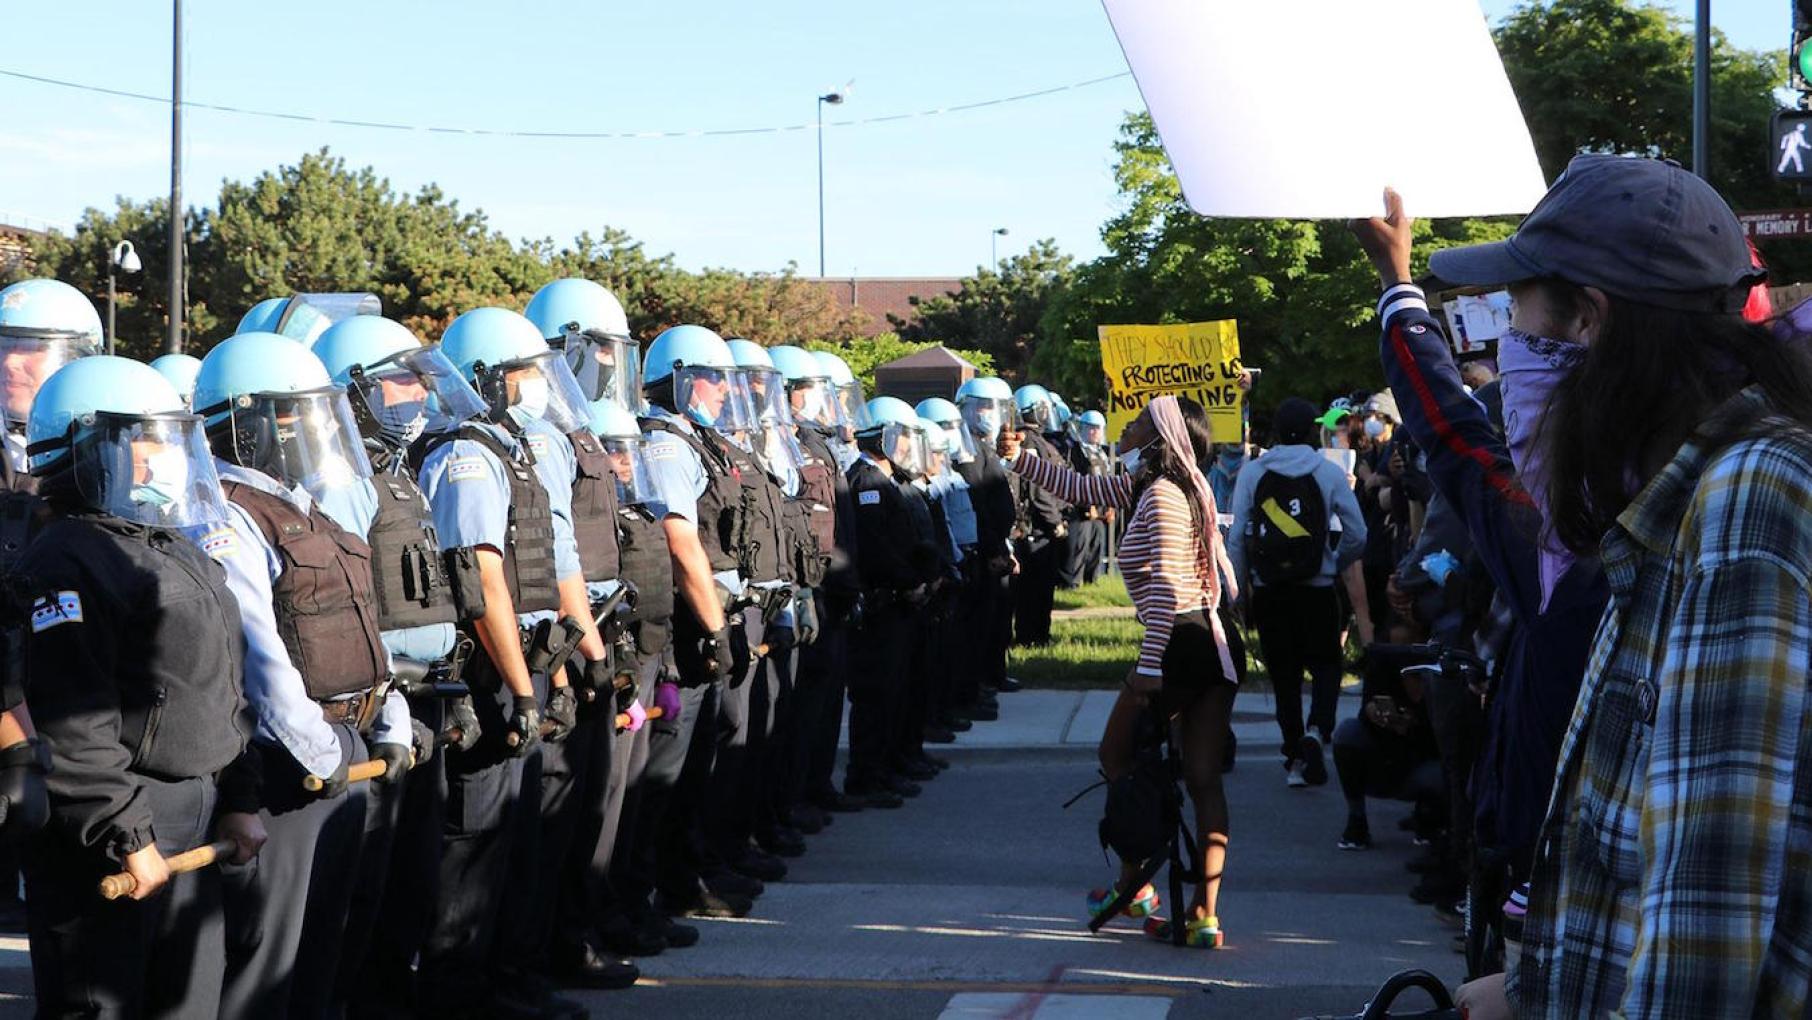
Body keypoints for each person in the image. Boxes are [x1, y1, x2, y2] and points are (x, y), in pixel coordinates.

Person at [1364, 156, 1812, 1017]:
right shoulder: (1651, 512)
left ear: (1587, 324)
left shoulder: (1745, 502)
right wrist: (1536, 989)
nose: (1502, 352)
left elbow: (1699, 950)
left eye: (1515, 315)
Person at [19, 356, 263, 1018]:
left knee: (187, 1004)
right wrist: (127, 833)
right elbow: (72, 723)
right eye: (145, 441)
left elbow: (224, 685)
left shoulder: (168, 543)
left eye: (171, 439)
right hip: (115, 820)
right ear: (89, 450)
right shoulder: (65, 557)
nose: (166, 460)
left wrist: (239, 797)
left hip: (196, 811)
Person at [190, 332, 406, 1019]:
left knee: (328, 942)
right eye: (287, 417)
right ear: (244, 425)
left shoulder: (302, 502)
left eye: (309, 414)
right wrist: (319, 750)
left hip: (343, 744)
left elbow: (365, 619)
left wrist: (387, 718)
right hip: (288, 762)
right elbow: (258, 653)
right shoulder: (227, 513)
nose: (305, 431)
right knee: (270, 957)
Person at [1002, 395, 1241, 948]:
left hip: (1181, 643)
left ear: (1157, 438)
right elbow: (1083, 490)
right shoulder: (1153, 485)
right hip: (1211, 643)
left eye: (1135, 421)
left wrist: (1149, 670)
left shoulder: (1160, 495)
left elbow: (1165, 589)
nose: (1125, 426)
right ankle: (1204, 914)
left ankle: (1135, 886)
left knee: (1117, 755)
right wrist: (1022, 459)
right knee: (1202, 779)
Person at [309, 315, 494, 1014]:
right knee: (362, 889)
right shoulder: (338, 482)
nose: (415, 397)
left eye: (419, 383)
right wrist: (391, 702)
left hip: (423, 699)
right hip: (375, 711)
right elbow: (342, 608)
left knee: (408, 881)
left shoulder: (395, 472)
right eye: (398, 384)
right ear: (351, 394)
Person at [410, 311, 580, 1018]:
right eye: (523, 372)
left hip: (524, 666)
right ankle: (459, 992)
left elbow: (541, 576)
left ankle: (502, 976)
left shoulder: (508, 448)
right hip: (487, 675)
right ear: (486, 379)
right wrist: (521, 689)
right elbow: (480, 582)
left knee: (509, 838)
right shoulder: (467, 456)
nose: (538, 385)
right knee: (471, 844)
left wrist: (557, 676)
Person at [635, 324, 764, 919]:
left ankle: (690, 875)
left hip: (712, 620)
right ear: (683, 380)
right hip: (686, 633)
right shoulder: (665, 445)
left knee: (699, 765)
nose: (721, 391)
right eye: (713, 378)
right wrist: (715, 631)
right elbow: (682, 545)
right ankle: (666, 886)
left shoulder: (697, 441)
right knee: (669, 771)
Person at [1226, 396, 1368, 788]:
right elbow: (1358, 533)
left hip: (1271, 590)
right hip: (1317, 588)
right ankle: (1317, 730)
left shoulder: (1253, 474)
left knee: (1284, 674)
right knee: (1326, 666)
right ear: (1311, 431)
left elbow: (1238, 537)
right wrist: (1333, 565)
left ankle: (1293, 755)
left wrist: (1240, 589)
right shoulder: (1328, 473)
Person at [775, 346, 867, 819]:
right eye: (809, 390)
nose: (817, 400)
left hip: (836, 584)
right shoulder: (780, 444)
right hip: (809, 587)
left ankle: (818, 782)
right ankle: (794, 796)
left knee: (829, 696)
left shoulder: (815, 442)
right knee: (804, 701)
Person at [842, 397, 941, 807]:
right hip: (883, 605)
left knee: (896, 691)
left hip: (902, 600)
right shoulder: (867, 481)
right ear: (882, 438)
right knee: (876, 695)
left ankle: (887, 766)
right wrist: (907, 581)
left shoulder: (889, 481)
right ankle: (867, 776)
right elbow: (876, 548)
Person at [954, 376, 1022, 704]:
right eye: (980, 407)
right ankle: (976, 681)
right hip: (983, 549)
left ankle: (993, 672)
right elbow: (976, 505)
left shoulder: (988, 448)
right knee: (977, 623)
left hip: (998, 544)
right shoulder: (966, 450)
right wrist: (994, 547)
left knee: (996, 620)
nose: (987, 415)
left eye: (992, 408)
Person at [1009, 384, 1068, 646]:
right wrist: (1054, 522)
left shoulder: (1041, 441)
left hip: (1043, 525)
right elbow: (1037, 489)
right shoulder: (1029, 442)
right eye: (1042, 410)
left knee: (1042, 588)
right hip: (1038, 529)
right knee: (1035, 589)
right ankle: (1031, 638)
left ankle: (1038, 635)